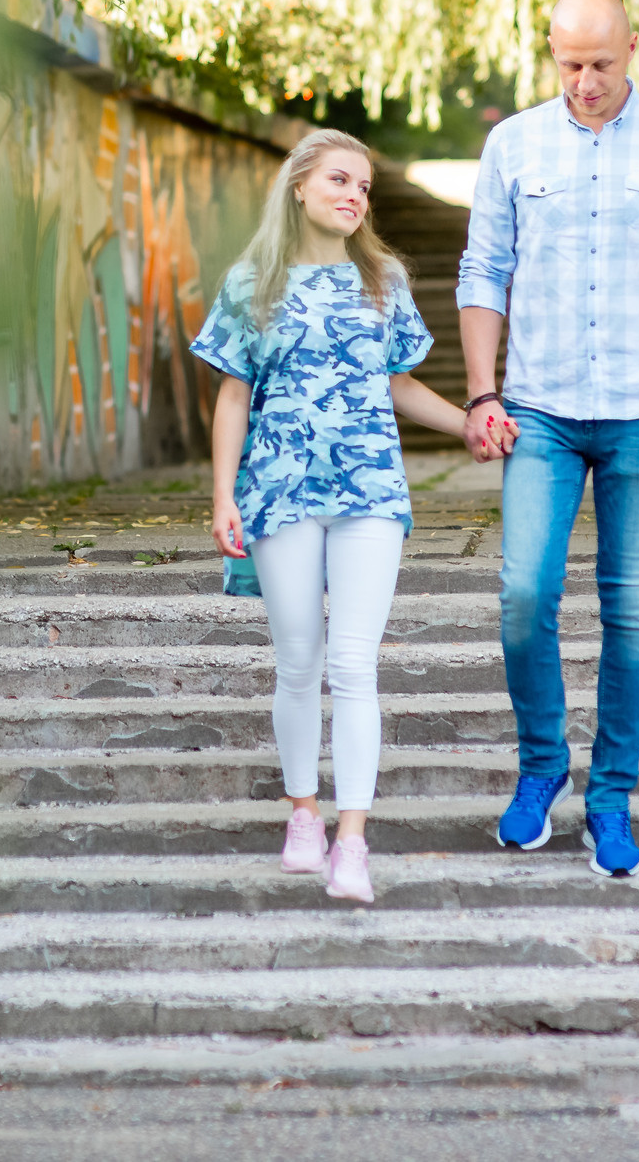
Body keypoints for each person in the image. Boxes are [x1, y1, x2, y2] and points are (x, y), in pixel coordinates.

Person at [456, 0, 639, 879]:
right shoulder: (513, 145)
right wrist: (479, 392)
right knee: (523, 596)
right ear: (552, 55)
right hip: (538, 408)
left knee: (633, 609)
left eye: (601, 65)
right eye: (569, 64)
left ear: (632, 50)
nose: (585, 82)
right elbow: (484, 269)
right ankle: (542, 767)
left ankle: (611, 796)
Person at [191, 129, 477, 904]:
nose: (355, 195)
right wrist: (223, 495)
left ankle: (353, 839)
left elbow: (400, 384)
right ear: (299, 186)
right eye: (340, 180)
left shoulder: (382, 278)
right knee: (298, 659)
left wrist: (469, 425)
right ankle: (303, 815)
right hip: (279, 489)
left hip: (370, 491)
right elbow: (232, 396)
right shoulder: (253, 280)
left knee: (354, 663)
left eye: (364, 186)